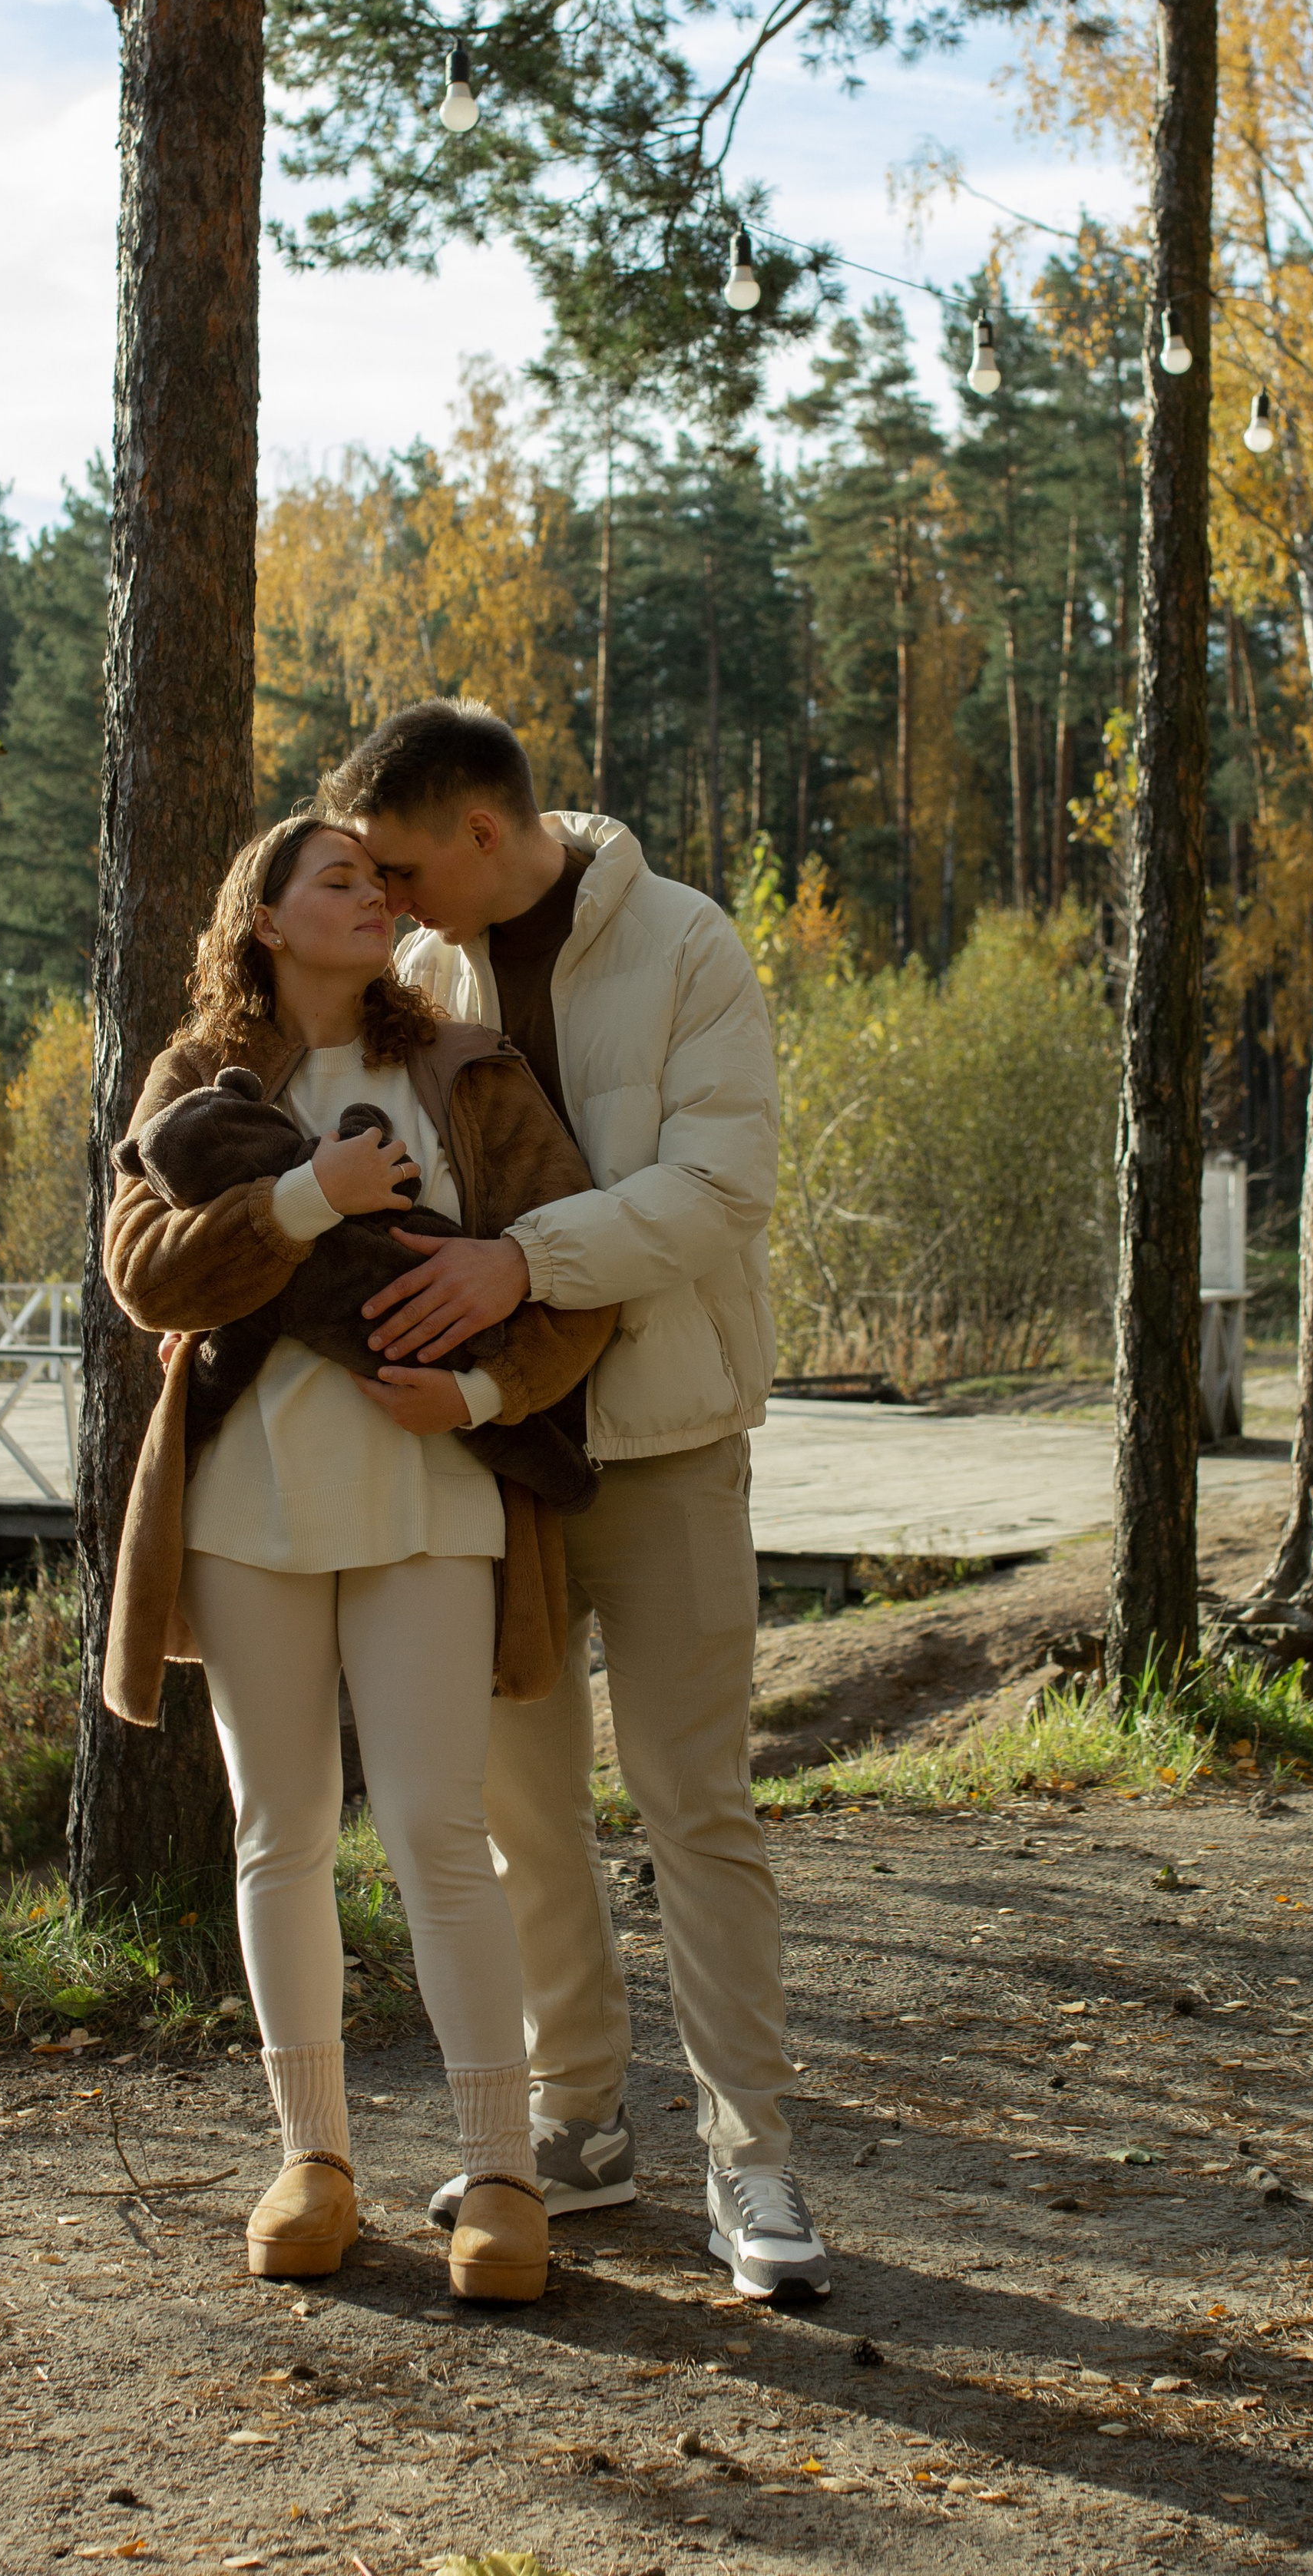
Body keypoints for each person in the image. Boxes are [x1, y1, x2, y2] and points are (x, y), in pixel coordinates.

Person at [320, 699, 831, 2301]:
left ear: (482, 831)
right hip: (493, 1464)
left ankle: (754, 2168)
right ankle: (580, 2131)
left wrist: (517, 1264)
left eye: (400, 866)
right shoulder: (420, 984)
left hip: (668, 1443)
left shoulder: (686, 947)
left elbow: (719, 1191)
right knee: (523, 1816)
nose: (384, 899)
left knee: (698, 1813)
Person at [99, 814, 615, 2301]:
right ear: (260, 915)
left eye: (384, 881)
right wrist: (303, 1200)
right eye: (338, 878)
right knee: (281, 1833)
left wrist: (477, 1391)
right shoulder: (196, 1081)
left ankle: (499, 2177)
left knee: (442, 1837)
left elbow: (566, 1275)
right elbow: (143, 1276)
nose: (375, 898)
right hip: (246, 1497)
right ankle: (309, 2160)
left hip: (431, 1491)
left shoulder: (463, 1067)